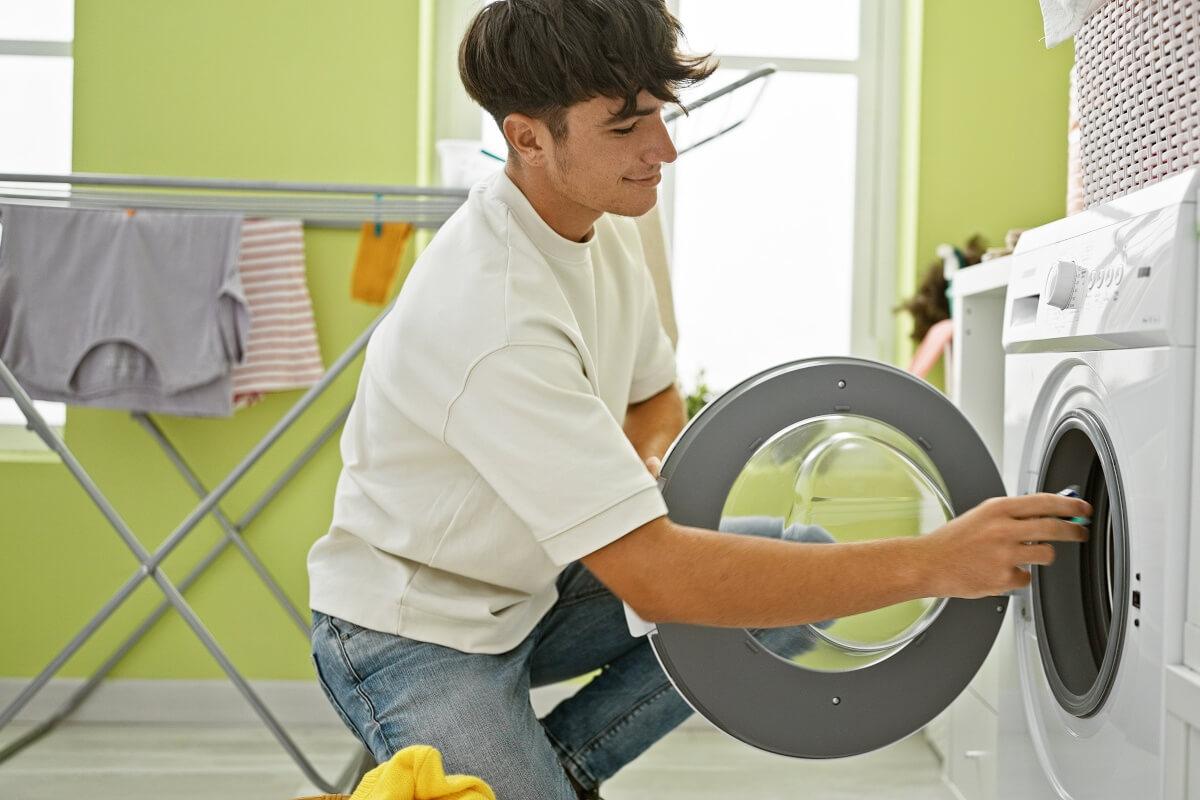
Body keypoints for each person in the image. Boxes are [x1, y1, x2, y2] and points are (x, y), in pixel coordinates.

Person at [307, 2, 1092, 798]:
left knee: (801, 568)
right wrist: (934, 562)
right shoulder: (492, 315)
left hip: (537, 588)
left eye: (659, 112)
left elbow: (652, 396)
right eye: (625, 128)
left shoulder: (606, 226)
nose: (664, 149)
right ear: (528, 137)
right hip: (410, 628)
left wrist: (645, 467)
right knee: (694, 581)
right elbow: (658, 580)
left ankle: (553, 776)